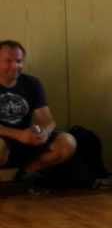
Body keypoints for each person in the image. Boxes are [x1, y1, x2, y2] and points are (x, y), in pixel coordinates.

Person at [0, 40, 77, 193]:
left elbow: (48, 120)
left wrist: (44, 132)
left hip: (26, 139)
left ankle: (27, 173)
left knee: (67, 143)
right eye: (8, 61)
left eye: (19, 61)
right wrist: (19, 135)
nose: (15, 66)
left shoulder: (32, 83)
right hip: (6, 139)